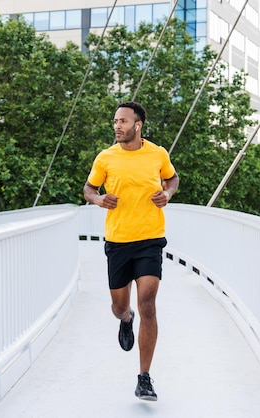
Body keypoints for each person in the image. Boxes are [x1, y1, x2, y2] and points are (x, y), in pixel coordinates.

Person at [83, 101, 179, 401]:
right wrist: (98, 200)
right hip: (118, 241)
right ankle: (126, 319)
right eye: (115, 121)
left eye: (123, 121)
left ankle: (144, 378)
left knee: (148, 303)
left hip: (150, 238)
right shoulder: (106, 157)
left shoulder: (158, 153)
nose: (117, 126)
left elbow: (172, 178)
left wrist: (167, 193)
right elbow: (89, 189)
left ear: (138, 125)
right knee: (119, 306)